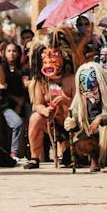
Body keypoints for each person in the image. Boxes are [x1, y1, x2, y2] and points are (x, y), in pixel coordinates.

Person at [25, 29, 78, 169]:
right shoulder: (40, 82)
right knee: (35, 118)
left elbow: (80, 104)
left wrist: (66, 101)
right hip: (52, 121)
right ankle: (34, 158)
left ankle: (72, 153)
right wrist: (45, 110)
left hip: (72, 121)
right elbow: (37, 105)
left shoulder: (71, 79)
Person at [64, 62, 107, 172]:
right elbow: (75, 115)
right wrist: (72, 122)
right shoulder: (79, 100)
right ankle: (93, 158)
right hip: (90, 134)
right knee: (82, 143)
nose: (89, 89)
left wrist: (101, 119)